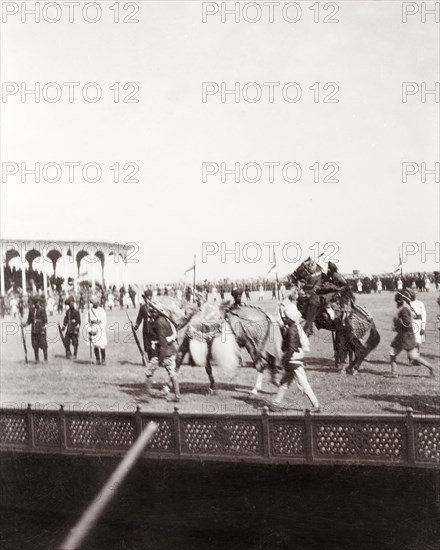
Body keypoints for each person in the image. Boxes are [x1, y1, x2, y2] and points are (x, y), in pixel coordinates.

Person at [270, 291, 319, 412]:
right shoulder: (295, 327)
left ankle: (316, 405)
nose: (284, 318)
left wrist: (284, 359)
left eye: (286, 317)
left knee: (303, 384)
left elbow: (291, 348)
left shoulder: (292, 330)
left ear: (290, 317)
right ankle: (275, 403)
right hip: (293, 359)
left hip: (294, 360)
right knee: (285, 383)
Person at [389, 292, 433, 377]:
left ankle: (394, 372)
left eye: (396, 301)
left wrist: (398, 327)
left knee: (394, 354)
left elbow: (407, 323)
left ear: (399, 300)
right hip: (406, 336)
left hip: (404, 336)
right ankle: (430, 367)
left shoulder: (404, 309)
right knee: (413, 356)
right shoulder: (405, 307)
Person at [150, 301, 180, 401]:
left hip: (167, 352)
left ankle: (177, 396)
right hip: (170, 350)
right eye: (151, 310)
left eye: (154, 311)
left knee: (171, 373)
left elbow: (163, 341)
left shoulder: (159, 322)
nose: (152, 312)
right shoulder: (164, 319)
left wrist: (161, 358)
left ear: (159, 311)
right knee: (171, 373)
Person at [134, 289, 157, 364]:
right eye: (146, 298)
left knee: (153, 345)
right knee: (146, 345)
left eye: (149, 298)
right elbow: (139, 319)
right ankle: (146, 361)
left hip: (154, 330)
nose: (148, 300)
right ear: (145, 298)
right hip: (146, 330)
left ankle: (153, 360)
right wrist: (136, 326)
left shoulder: (155, 307)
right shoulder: (143, 308)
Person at [24, 296, 48, 363]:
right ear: (34, 303)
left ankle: (45, 359)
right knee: (35, 345)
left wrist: (44, 327)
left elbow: (45, 320)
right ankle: (37, 359)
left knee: (44, 344)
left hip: (41, 329)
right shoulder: (31, 310)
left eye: (38, 302)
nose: (38, 304)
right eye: (36, 303)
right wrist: (25, 324)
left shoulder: (42, 309)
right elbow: (29, 320)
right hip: (34, 330)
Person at [85, 295, 108, 365]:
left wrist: (99, 329)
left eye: (97, 302)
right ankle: (98, 359)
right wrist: (89, 329)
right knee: (95, 345)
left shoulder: (102, 311)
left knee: (102, 345)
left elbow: (104, 321)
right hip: (93, 328)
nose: (97, 303)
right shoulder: (89, 311)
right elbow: (87, 321)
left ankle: (103, 360)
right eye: (95, 302)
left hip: (100, 329)